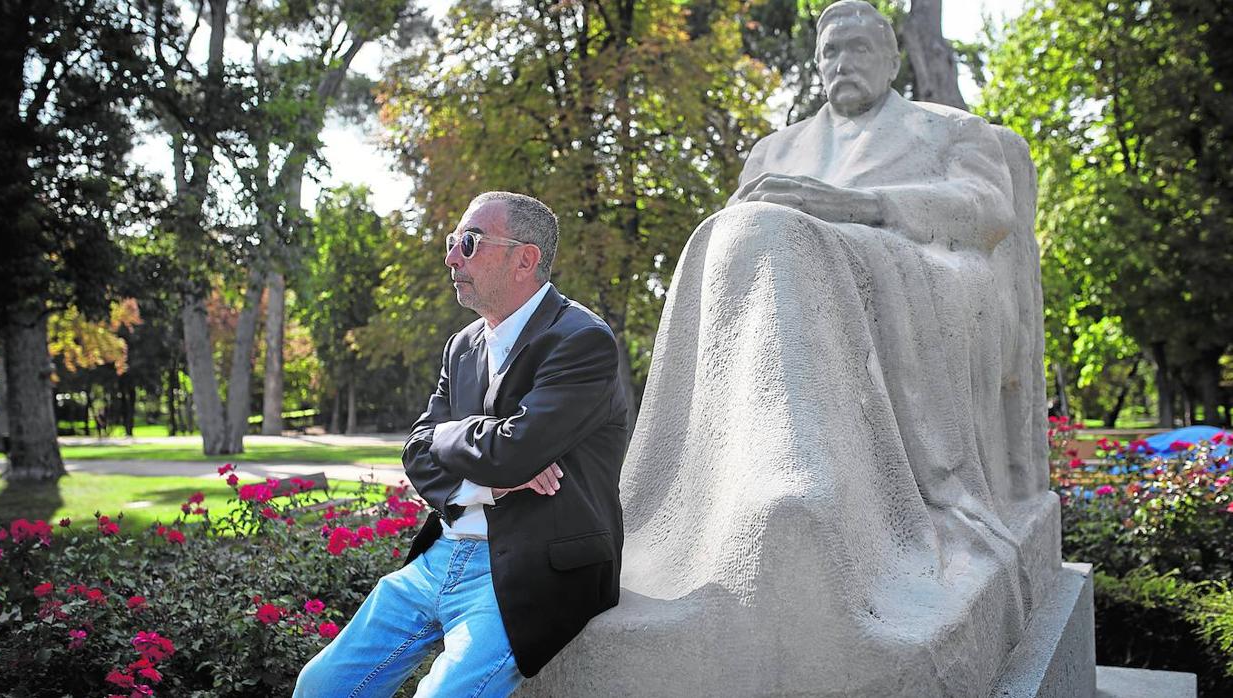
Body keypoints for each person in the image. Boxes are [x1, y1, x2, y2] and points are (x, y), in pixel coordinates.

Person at [521, 2, 1053, 695]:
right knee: (738, 236)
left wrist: (861, 208)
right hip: (797, 281)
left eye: (860, 49)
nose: (842, 63)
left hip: (911, 277)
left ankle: (809, 486)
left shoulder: (948, 131)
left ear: (893, 60)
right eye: (830, 51)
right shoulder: (774, 151)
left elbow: (986, 213)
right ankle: (708, 496)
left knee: (778, 236)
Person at [294, 191, 631, 697]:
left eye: (469, 243)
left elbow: (512, 452)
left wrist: (458, 438)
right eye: (453, 242)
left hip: (530, 567)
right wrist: (491, 474)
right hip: (440, 556)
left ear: (525, 258)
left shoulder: (582, 340)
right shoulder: (462, 346)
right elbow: (417, 452)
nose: (452, 256)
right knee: (321, 684)